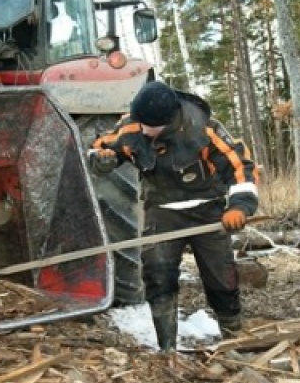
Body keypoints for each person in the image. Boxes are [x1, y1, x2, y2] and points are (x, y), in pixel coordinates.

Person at [90, 81, 259, 352]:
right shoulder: (133, 125)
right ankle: (167, 347)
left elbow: (240, 167)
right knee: (158, 276)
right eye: (141, 123)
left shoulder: (204, 129)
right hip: (162, 213)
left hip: (208, 212)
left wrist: (240, 206)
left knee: (221, 278)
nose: (144, 131)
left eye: (151, 127)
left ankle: (233, 337)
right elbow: (101, 145)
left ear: (169, 121)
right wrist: (102, 158)